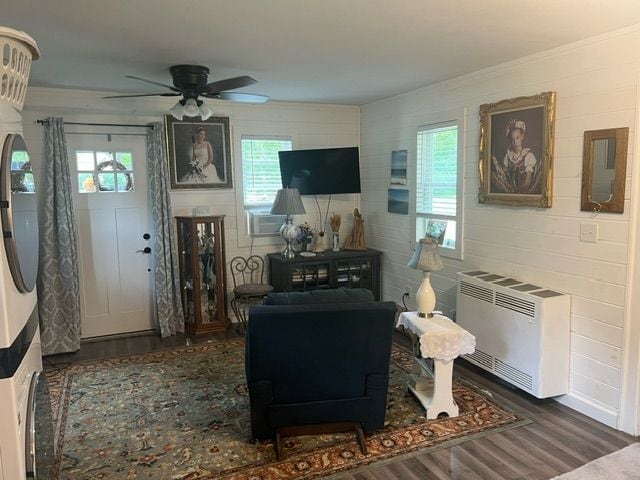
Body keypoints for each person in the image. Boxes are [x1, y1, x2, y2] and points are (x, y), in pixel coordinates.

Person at [491, 119, 540, 194]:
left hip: (524, 190)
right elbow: (505, 176)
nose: (515, 142)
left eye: (517, 138)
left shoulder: (528, 156)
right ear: (510, 140)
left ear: (522, 137)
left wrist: (521, 190)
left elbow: (528, 180)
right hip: (511, 190)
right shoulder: (508, 156)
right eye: (512, 140)